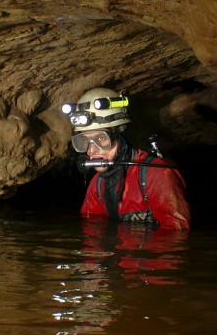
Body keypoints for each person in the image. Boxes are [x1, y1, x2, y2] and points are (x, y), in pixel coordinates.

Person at [62, 87, 190, 230]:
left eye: (101, 138)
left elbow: (176, 233)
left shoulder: (156, 174)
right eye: (85, 141)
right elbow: (91, 228)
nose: (92, 150)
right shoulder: (98, 184)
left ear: (121, 137)